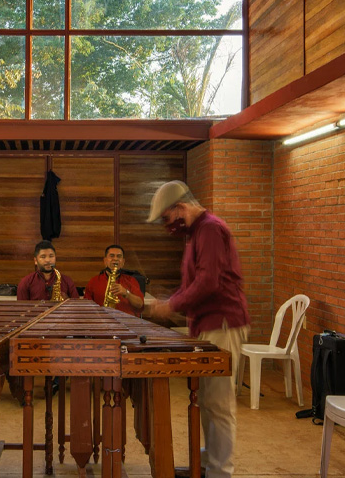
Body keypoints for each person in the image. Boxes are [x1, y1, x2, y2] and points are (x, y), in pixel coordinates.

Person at [145, 181, 249, 478]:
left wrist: (172, 306)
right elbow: (195, 283)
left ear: (180, 207)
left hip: (222, 322)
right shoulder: (195, 233)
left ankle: (220, 471)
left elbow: (209, 282)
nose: (168, 226)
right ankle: (206, 463)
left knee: (219, 403)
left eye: (166, 218)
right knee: (206, 400)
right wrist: (173, 300)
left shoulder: (210, 229)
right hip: (205, 324)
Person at [82, 244, 145, 315]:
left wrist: (126, 293)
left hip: (126, 322)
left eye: (119, 256)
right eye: (112, 256)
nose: (115, 259)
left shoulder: (131, 280)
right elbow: (86, 308)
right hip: (103, 322)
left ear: (123, 262)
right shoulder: (94, 281)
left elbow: (140, 304)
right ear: (105, 261)